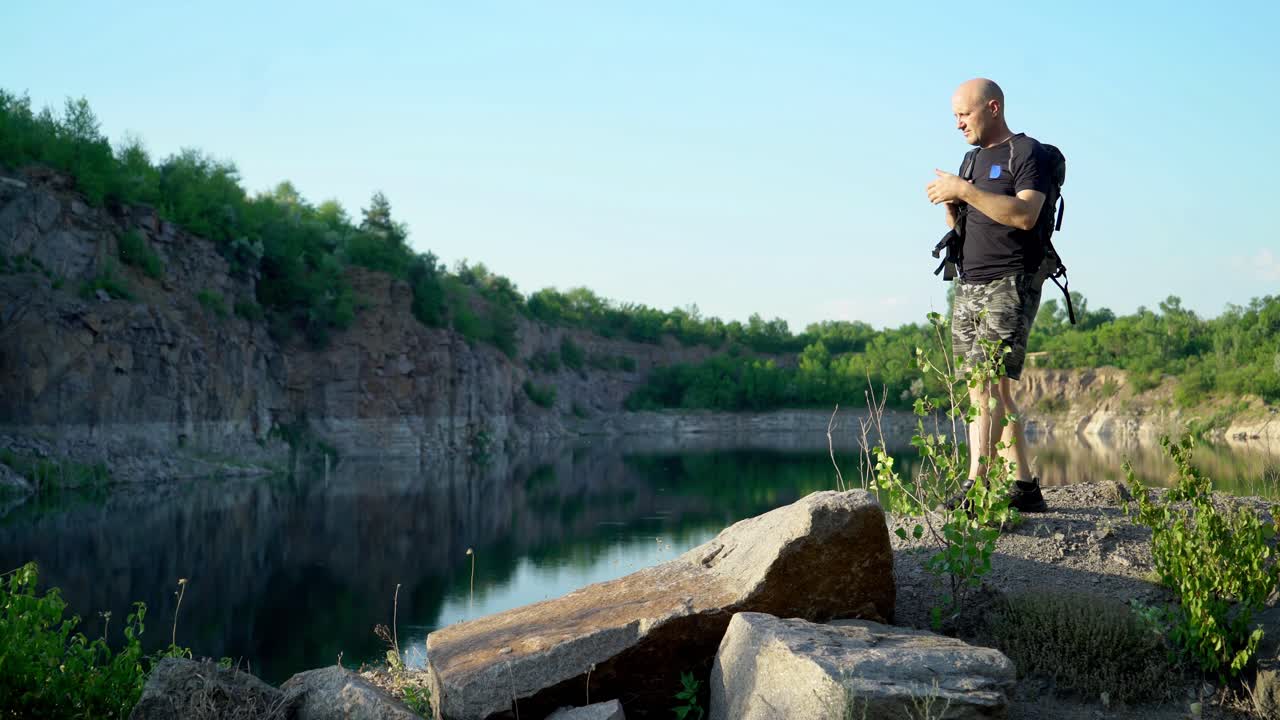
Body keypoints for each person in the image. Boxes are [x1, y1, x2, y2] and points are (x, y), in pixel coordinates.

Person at [924, 78, 1051, 513]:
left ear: (992, 108)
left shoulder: (1026, 153)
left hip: (1011, 279)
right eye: (954, 116)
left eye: (965, 114)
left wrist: (964, 190)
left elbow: (1024, 215)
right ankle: (1025, 487)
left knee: (986, 387)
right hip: (970, 281)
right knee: (988, 386)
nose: (958, 123)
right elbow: (969, 223)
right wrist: (952, 209)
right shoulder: (971, 159)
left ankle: (977, 485)